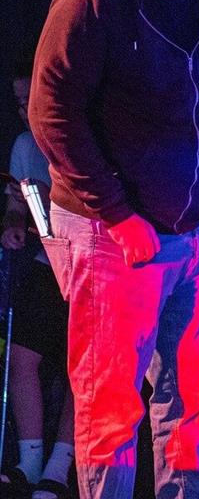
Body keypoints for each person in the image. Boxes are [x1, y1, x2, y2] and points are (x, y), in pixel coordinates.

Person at [28, 0, 199, 497]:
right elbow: (50, 109)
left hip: (194, 232)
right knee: (111, 413)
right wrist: (118, 213)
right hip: (112, 236)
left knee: (191, 400)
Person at [0, 61, 74, 499]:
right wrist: (12, 225)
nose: (26, 107)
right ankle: (29, 461)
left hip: (87, 270)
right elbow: (16, 203)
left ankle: (60, 467)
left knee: (76, 370)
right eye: (18, 102)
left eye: (32, 97)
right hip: (47, 268)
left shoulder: (73, 133)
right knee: (21, 357)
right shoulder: (25, 145)